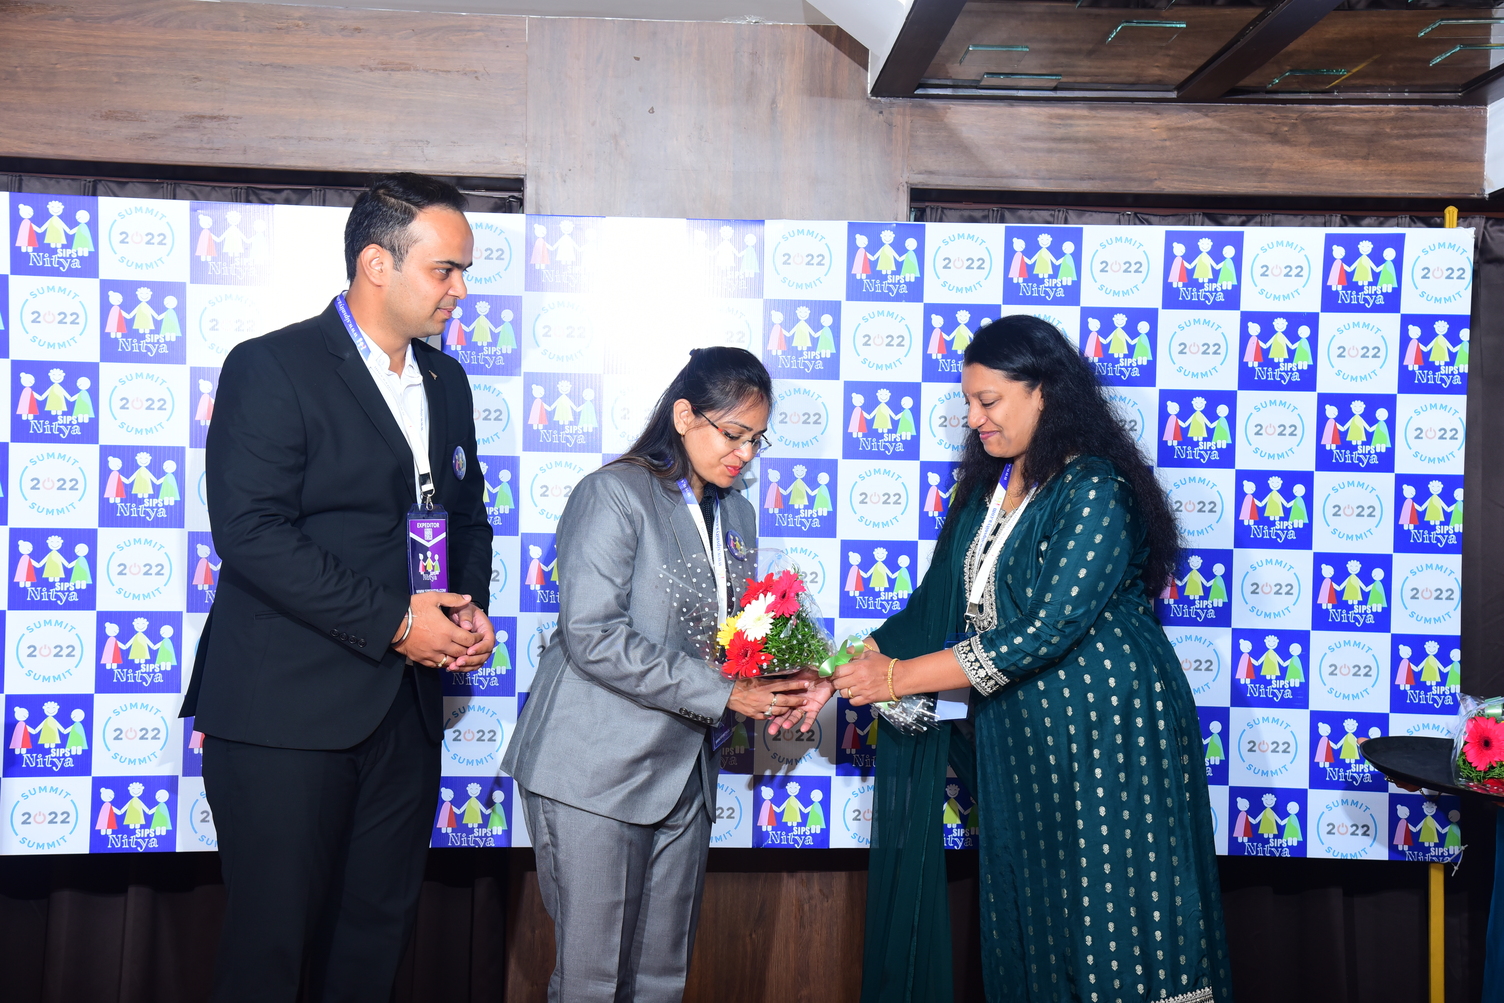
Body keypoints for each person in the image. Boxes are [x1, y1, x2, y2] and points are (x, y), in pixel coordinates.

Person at [827, 316, 1232, 1003]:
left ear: (1044, 391)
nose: (974, 419)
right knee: (1039, 926)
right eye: (968, 403)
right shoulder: (992, 488)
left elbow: (1046, 628)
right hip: (1023, 745)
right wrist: (840, 672)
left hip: (1108, 737)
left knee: (1116, 923)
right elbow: (934, 607)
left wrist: (894, 678)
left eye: (989, 401)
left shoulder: (1095, 485)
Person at [181, 173, 495, 1002]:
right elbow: (251, 533)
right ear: (376, 264)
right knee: (271, 951)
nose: (460, 291)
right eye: (445, 270)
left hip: (407, 715)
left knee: (373, 945)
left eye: (464, 272)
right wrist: (399, 622)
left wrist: (465, 608)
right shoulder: (271, 366)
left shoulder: (448, 381)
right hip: (285, 713)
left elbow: (467, 519)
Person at [503, 347, 818, 1003]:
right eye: (733, 434)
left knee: (661, 978)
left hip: (684, 773)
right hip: (594, 769)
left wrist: (786, 672)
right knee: (593, 981)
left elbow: (723, 635)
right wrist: (727, 692)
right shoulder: (614, 493)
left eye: (757, 441)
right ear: (683, 415)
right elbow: (593, 635)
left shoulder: (738, 514)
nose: (744, 454)